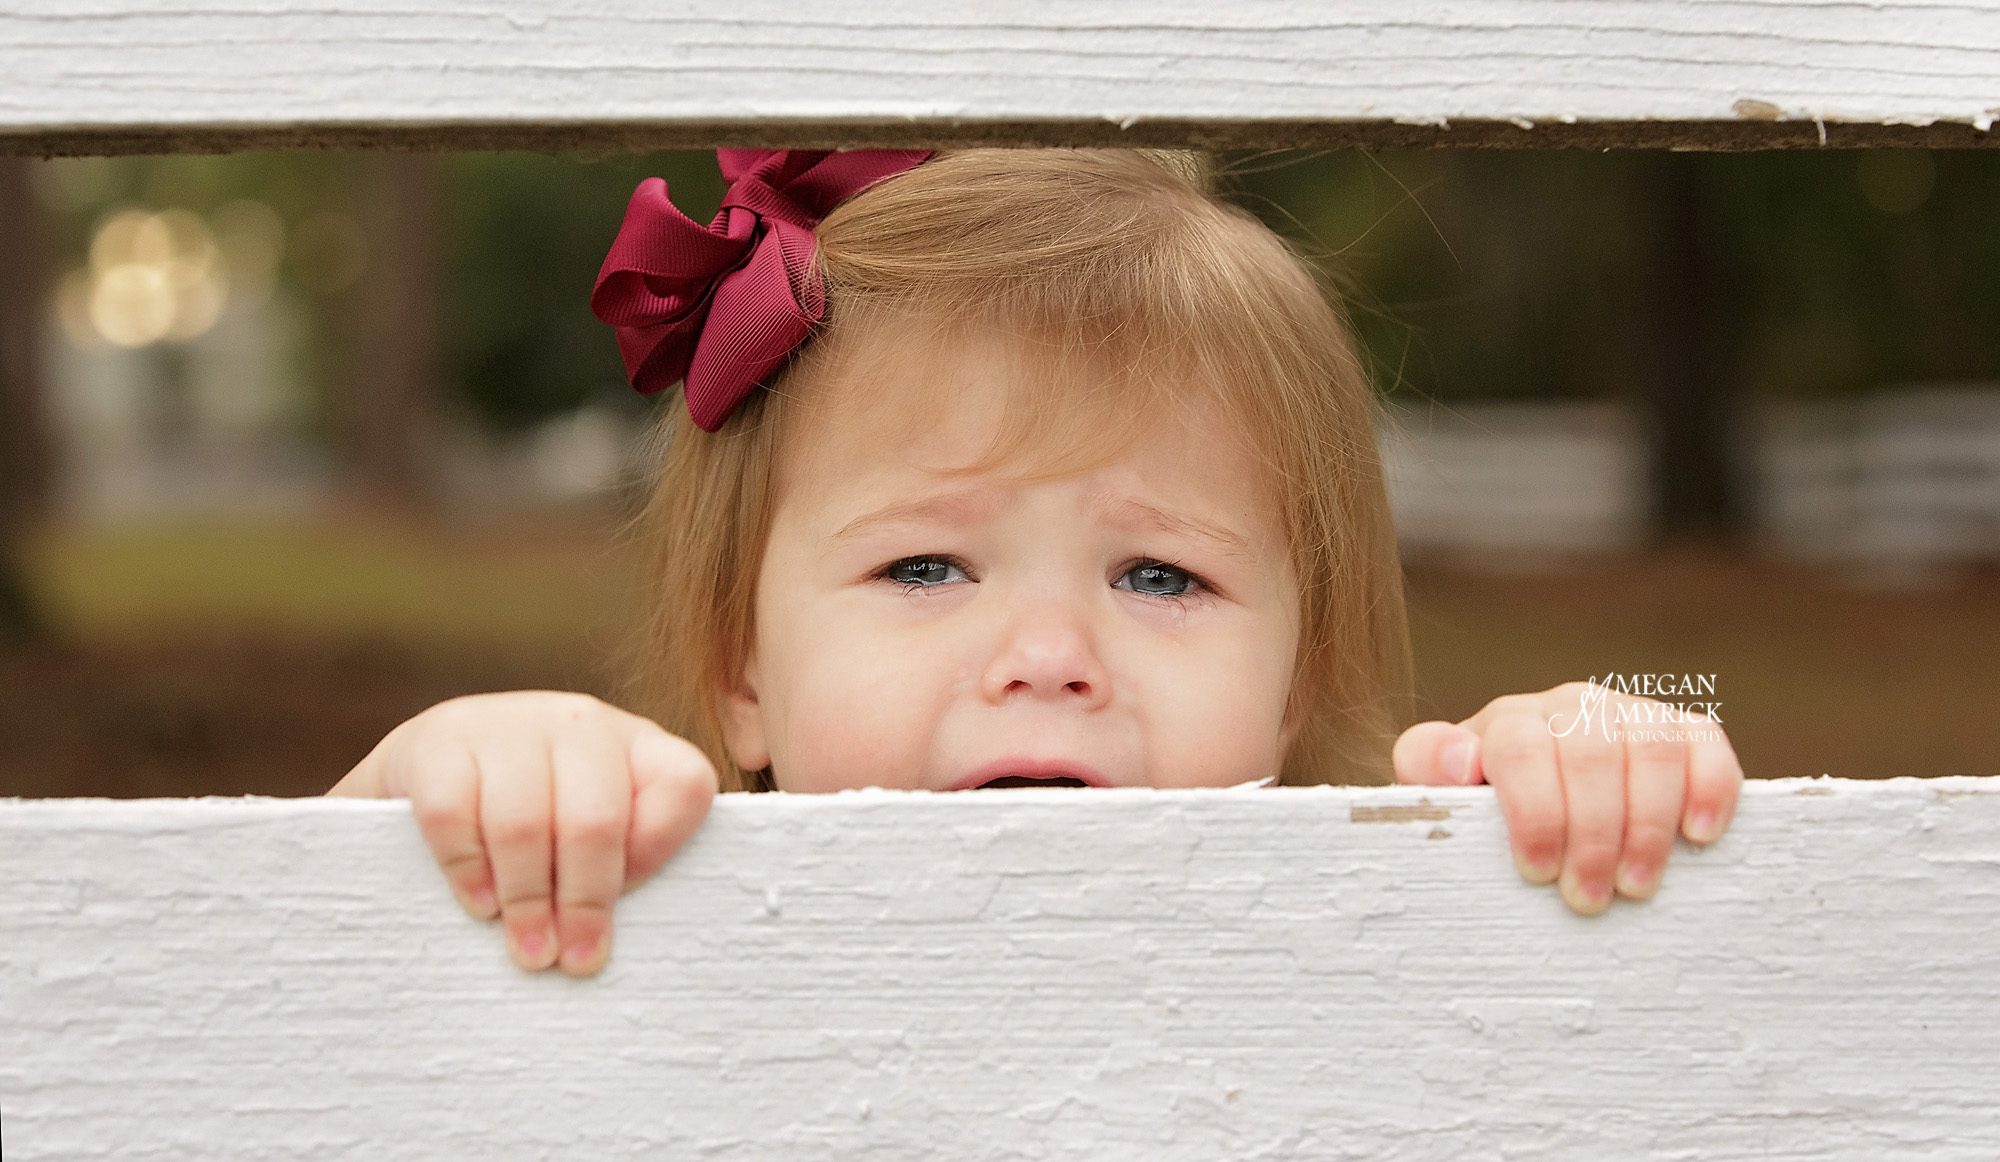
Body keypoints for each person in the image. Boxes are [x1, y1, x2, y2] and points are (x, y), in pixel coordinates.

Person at [329, 148, 1742, 977]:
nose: (1052, 653)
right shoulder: (636, 899)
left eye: (1160, 577)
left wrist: (1607, 734)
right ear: (734, 671)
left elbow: (1664, 742)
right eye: (930, 568)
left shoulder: (1371, 926)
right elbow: (279, 996)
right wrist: (433, 778)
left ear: (1302, 673)